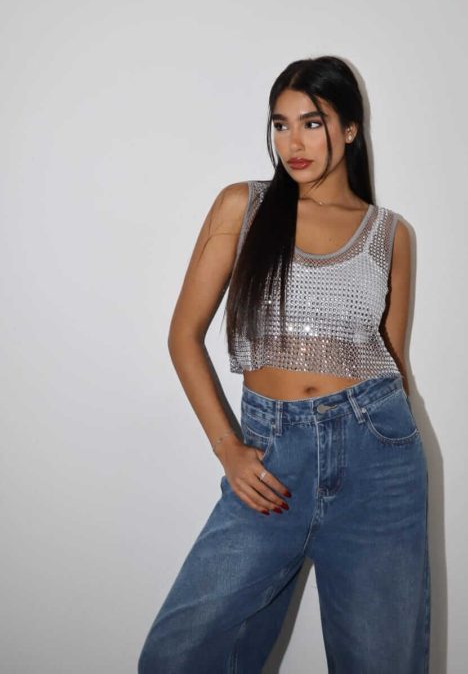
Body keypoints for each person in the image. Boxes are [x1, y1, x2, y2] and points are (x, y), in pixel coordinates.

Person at [137, 56, 430, 673]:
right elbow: (183, 336)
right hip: (272, 460)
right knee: (176, 655)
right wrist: (228, 448)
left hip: (378, 458)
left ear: (350, 129)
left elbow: (393, 360)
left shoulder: (390, 234)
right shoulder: (243, 207)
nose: (292, 142)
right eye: (280, 124)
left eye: (311, 123)